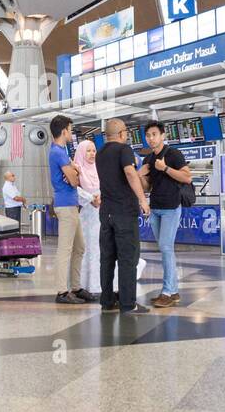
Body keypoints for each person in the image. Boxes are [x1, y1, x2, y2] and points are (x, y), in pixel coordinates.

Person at [95, 119, 151, 314]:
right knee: (128, 259)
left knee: (107, 258)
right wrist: (143, 200)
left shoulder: (99, 153)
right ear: (122, 133)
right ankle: (128, 304)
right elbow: (129, 173)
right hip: (124, 212)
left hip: (106, 213)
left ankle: (107, 301)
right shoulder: (124, 150)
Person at [139, 121, 192, 307]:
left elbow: (187, 177)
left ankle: (167, 292)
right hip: (156, 208)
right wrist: (141, 175)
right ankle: (174, 291)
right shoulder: (147, 160)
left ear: (163, 135)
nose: (151, 138)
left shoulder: (173, 154)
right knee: (164, 248)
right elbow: (147, 187)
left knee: (166, 247)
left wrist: (166, 168)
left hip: (171, 207)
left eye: (154, 134)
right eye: (148, 135)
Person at [48, 115, 89, 304]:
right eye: (70, 130)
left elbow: (74, 174)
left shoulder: (61, 151)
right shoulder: (58, 152)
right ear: (64, 131)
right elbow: (74, 180)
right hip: (65, 205)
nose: (71, 133)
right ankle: (62, 292)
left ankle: (76, 286)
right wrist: (76, 171)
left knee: (79, 247)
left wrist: (75, 170)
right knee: (65, 249)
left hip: (71, 205)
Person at [72, 139, 103, 296]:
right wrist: (91, 199)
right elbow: (75, 190)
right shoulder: (77, 169)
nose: (92, 154)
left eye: (94, 150)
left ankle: (97, 284)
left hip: (100, 214)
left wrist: (100, 199)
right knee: (85, 248)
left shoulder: (99, 169)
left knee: (98, 248)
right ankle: (82, 284)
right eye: (88, 151)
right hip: (85, 215)